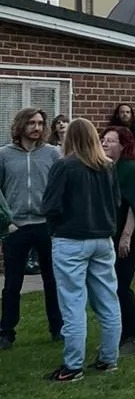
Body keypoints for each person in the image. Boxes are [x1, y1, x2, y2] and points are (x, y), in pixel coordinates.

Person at [41, 118, 121, 383]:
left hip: (70, 239)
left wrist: (55, 227)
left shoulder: (64, 166)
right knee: (108, 299)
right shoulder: (107, 167)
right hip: (102, 238)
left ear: (69, 138)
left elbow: (50, 205)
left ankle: (73, 366)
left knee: (73, 302)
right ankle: (109, 358)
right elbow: (116, 202)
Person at [0, 108, 62, 351]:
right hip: (16, 228)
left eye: (40, 123)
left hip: (46, 226)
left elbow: (60, 189)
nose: (37, 127)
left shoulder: (52, 154)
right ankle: (6, 331)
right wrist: (7, 222)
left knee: (52, 280)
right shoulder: (4, 155)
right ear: (21, 125)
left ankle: (58, 327)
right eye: (31, 123)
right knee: (12, 283)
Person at [101, 125, 135, 356]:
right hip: (112, 232)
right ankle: (117, 334)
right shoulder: (108, 167)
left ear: (123, 144)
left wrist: (126, 237)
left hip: (131, 235)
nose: (104, 143)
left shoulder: (131, 169)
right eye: (103, 140)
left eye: (110, 141)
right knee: (111, 285)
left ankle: (131, 337)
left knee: (121, 284)